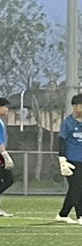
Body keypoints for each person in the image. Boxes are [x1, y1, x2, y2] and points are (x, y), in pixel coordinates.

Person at [58, 93, 82, 225]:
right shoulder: (68, 123)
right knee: (77, 187)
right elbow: (61, 141)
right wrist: (62, 160)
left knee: (74, 188)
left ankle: (63, 214)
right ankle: (80, 215)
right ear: (75, 106)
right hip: (72, 160)